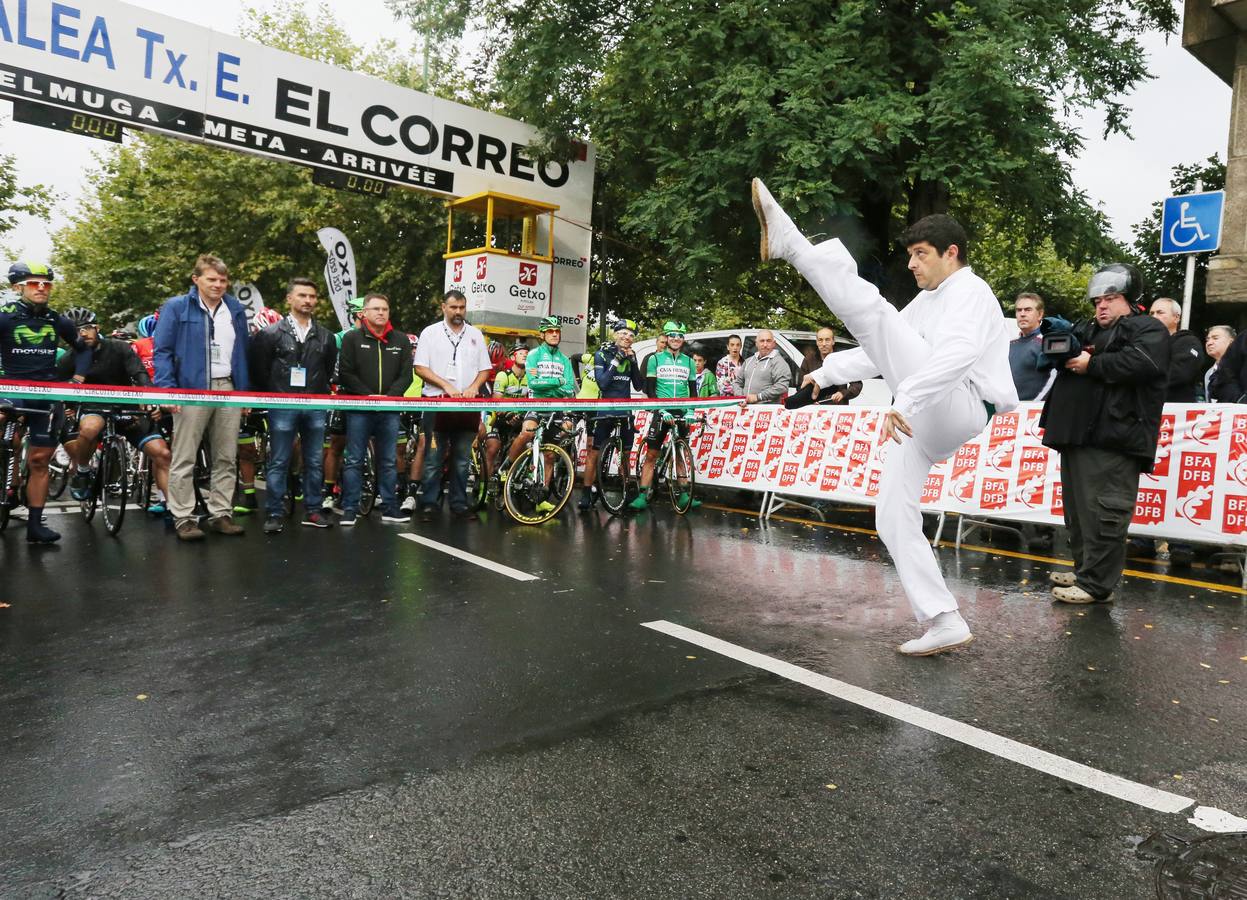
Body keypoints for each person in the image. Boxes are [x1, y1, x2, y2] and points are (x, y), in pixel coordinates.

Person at [753, 178, 1018, 656]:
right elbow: (881, 352)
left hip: (954, 406)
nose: (912, 264)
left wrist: (905, 399)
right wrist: (825, 375)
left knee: (874, 312)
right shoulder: (929, 300)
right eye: (911, 254)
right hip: (925, 418)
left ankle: (793, 244)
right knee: (892, 515)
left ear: (951, 252)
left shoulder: (972, 292)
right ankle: (943, 619)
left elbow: (956, 355)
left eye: (920, 254)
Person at [1040, 264, 1169, 603]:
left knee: (1104, 512)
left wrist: (1090, 364)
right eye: (1097, 300)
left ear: (1129, 299)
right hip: (1080, 435)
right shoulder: (1089, 330)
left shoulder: (1148, 328)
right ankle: (1086, 570)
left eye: (1110, 299)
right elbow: (1057, 351)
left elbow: (1143, 364)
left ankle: (1097, 584)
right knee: (1080, 514)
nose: (1101, 306)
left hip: (1116, 438)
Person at [152, 254, 251, 541]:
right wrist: (167, 390)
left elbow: (242, 353)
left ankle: (221, 513)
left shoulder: (235, 308)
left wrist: (243, 394)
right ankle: (183, 517)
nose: (218, 284)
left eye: (223, 280)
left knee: (226, 456)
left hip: (228, 387)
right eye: (212, 279)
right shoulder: (176, 306)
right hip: (190, 389)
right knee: (184, 456)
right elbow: (163, 351)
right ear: (196, 280)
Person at [0, 262, 91, 544]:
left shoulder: (56, 320)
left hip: (46, 393)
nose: (41, 287)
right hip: (12, 388)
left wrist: (77, 379)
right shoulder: (5, 317)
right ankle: (9, 479)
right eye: (33, 283)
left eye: (46, 283)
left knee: (40, 461)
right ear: (18, 287)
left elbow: (83, 349)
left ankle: (35, 525)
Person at [57, 307, 173, 512]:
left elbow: (140, 375)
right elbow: (58, 388)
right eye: (77, 331)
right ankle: (82, 471)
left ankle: (174, 510)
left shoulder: (120, 348)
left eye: (87, 328)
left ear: (97, 328)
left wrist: (153, 401)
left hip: (127, 408)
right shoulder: (68, 358)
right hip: (93, 408)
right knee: (90, 428)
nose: (83, 333)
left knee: (162, 454)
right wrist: (68, 406)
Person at [248, 277, 338, 533]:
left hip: (315, 404)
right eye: (302, 295)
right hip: (282, 403)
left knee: (314, 460)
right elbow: (260, 370)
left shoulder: (326, 336)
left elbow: (328, 368)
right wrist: (274, 395)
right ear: (289, 299)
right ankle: (274, 513)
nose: (308, 300)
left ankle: (313, 510)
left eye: (312, 296)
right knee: (279, 460)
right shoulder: (270, 333)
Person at [413, 289, 493, 520]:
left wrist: (474, 387)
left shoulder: (476, 335)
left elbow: (485, 369)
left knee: (462, 458)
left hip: (467, 406)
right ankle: (429, 503)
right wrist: (445, 385)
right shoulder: (430, 333)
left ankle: (459, 503)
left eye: (462, 308)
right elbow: (420, 367)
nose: (458, 312)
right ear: (443, 307)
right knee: (434, 456)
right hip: (437, 403)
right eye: (453, 307)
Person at [336, 292, 412, 526]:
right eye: (376, 309)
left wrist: (388, 397)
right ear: (364, 313)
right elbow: (346, 373)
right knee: (354, 459)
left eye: (385, 309)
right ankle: (350, 508)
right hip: (360, 407)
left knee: (388, 460)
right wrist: (367, 396)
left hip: (389, 408)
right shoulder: (351, 338)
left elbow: (405, 376)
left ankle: (390, 507)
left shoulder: (400, 340)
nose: (381, 313)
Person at [507, 316, 577, 513]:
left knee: (549, 455)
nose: (555, 334)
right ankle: (507, 470)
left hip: (556, 408)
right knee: (527, 433)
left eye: (557, 331)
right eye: (550, 331)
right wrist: (557, 382)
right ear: (542, 334)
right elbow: (533, 383)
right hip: (537, 405)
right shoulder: (534, 355)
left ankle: (542, 496)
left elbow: (570, 388)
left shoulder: (564, 359)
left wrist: (554, 385)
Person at [631, 320, 699, 512]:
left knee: (681, 452)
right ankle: (642, 495)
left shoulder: (689, 361)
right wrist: (660, 409)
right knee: (652, 454)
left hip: (682, 411)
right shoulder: (655, 359)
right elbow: (650, 389)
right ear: (666, 338)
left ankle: (685, 494)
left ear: (683, 339)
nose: (676, 339)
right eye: (672, 335)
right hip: (662, 411)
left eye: (680, 336)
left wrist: (692, 411)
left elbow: (693, 390)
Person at [580, 319, 643, 510]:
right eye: (623, 333)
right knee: (595, 452)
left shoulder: (632, 356)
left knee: (625, 453)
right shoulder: (602, 355)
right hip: (605, 409)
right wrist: (616, 360)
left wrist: (632, 362)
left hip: (625, 409)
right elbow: (603, 384)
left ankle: (628, 489)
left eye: (631, 335)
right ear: (615, 335)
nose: (627, 338)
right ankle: (586, 493)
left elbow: (639, 385)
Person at [323, 296, 366, 511]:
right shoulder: (339, 338)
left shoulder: (378, 337)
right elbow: (328, 365)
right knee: (337, 445)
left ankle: (360, 489)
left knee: (368, 445)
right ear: (360, 313)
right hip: (342, 393)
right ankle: (329, 491)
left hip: (367, 397)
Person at [1149, 297, 1204, 403]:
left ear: (1176, 318)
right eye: (1151, 313)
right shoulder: (1142, 344)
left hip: (1176, 411)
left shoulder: (1188, 342)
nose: (1154, 317)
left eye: (1160, 312)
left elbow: (1179, 373)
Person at [1008, 292, 1058, 401]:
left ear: (1040, 315)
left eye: (1028, 310)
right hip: (1008, 412)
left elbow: (1054, 379)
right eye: (1019, 310)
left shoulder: (1047, 344)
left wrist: (1034, 405)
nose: (1022, 314)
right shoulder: (1009, 345)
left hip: (1035, 412)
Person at [797, 326, 862, 404]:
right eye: (820, 340)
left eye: (827, 340)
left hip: (837, 409)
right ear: (817, 342)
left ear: (833, 341)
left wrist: (843, 393)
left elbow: (857, 385)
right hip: (815, 409)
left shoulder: (843, 359)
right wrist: (809, 400)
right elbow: (800, 385)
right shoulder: (809, 360)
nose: (824, 344)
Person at [732, 328, 792, 404]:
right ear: (756, 343)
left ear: (774, 343)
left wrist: (758, 397)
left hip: (767, 411)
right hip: (745, 408)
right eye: (762, 341)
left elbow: (782, 386)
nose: (765, 344)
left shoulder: (779, 362)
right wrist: (741, 398)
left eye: (768, 341)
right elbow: (737, 383)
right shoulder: (748, 361)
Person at [1210, 326, 1247, 403]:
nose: (1209, 342)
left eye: (1215, 338)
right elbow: (1223, 375)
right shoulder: (1244, 339)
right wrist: (1239, 399)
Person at [1203, 325, 1236, 400]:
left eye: (1215, 338)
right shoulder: (1209, 373)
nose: (1209, 343)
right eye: (1207, 340)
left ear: (1231, 342)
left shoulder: (1242, 368)